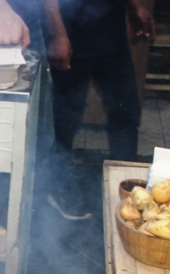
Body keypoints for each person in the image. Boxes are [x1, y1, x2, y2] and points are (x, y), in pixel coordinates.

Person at [43, 0, 156, 220]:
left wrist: (134, 6)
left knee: (126, 112)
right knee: (65, 118)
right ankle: (59, 188)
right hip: (69, 33)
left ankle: (127, 189)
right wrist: (58, 35)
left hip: (111, 33)